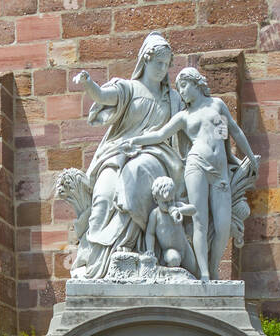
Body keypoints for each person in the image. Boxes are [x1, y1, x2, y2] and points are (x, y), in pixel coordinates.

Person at [124, 66, 259, 280]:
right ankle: (205, 273)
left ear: (196, 83)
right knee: (199, 220)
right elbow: (160, 134)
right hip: (196, 166)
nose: (182, 91)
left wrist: (248, 157)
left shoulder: (217, 105)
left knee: (223, 225)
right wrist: (135, 141)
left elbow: (229, 133)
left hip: (220, 170)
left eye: (184, 86)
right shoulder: (184, 116)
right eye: (179, 88)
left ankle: (213, 266)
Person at [69, 34, 185, 280]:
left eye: (166, 65)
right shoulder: (128, 88)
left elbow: (189, 132)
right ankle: (96, 264)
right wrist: (88, 83)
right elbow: (102, 96)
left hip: (156, 155)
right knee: (103, 193)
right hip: (118, 153)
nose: (162, 70)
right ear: (146, 59)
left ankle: (129, 248)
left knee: (134, 175)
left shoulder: (173, 99)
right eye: (158, 64)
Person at [145, 176, 199, 275]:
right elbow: (150, 233)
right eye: (165, 202)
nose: (169, 204)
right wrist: (150, 250)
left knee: (194, 269)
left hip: (185, 247)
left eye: (171, 200)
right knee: (174, 259)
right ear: (156, 200)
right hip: (170, 249)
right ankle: (172, 277)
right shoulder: (155, 214)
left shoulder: (177, 206)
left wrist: (180, 210)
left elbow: (193, 209)